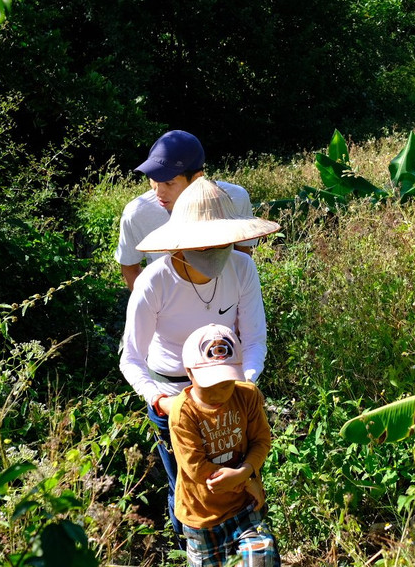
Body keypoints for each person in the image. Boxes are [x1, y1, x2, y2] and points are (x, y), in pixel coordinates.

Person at [119, 177, 280, 542]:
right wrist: (161, 400)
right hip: (173, 393)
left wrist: (242, 386)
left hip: (228, 387)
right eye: (204, 245)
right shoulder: (154, 282)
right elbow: (131, 357)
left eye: (221, 243)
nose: (214, 253)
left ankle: (245, 549)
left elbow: (254, 339)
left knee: (240, 478)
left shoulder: (241, 268)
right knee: (189, 489)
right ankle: (193, 550)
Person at [167, 324, 279, 567]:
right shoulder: (183, 412)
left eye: (226, 384)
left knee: (261, 558)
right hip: (202, 516)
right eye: (209, 386)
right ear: (189, 372)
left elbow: (261, 440)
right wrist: (246, 481)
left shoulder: (247, 396)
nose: (218, 394)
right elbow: (197, 468)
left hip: (245, 507)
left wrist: (246, 471)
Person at [115, 130, 257, 290]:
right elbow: (130, 269)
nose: (159, 191)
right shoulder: (137, 214)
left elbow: (243, 256)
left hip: (226, 299)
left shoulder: (235, 198)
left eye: (169, 183)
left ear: (197, 178)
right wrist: (149, 302)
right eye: (153, 179)